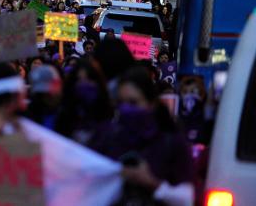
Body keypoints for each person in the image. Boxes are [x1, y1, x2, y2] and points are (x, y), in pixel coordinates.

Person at [99, 67, 195, 206]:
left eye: (133, 103)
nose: (126, 109)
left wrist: (152, 183)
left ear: (151, 104)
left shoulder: (172, 142)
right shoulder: (109, 139)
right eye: (121, 102)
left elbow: (186, 198)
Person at [55, 60, 112, 147]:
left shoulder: (109, 118)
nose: (84, 85)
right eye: (79, 80)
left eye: (89, 79)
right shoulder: (62, 115)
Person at [24, 65, 62, 130]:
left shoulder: (69, 111)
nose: (47, 97)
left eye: (49, 93)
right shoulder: (29, 115)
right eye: (41, 94)